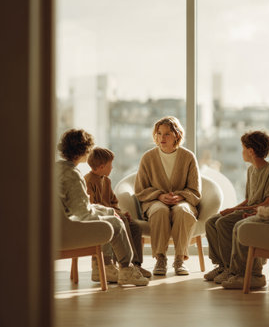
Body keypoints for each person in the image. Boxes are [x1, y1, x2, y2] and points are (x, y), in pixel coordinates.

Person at [56, 129, 149, 287]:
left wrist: (108, 211)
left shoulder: (56, 168)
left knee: (108, 218)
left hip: (57, 224)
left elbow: (76, 206)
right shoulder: (73, 175)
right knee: (115, 223)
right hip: (68, 228)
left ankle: (104, 267)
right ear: (85, 150)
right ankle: (126, 269)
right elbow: (83, 212)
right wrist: (109, 213)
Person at [222, 141, 269, 289]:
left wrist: (259, 212)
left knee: (240, 226)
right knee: (243, 224)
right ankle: (240, 274)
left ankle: (250, 275)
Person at [204, 131, 269, 284]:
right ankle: (222, 265)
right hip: (248, 208)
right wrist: (233, 209)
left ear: (251, 151)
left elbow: (267, 203)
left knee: (223, 223)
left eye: (243, 149)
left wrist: (235, 211)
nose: (242, 152)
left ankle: (232, 268)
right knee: (211, 222)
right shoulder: (250, 170)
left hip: (257, 212)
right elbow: (249, 199)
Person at [135, 116, 201, 276]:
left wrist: (179, 196)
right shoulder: (148, 157)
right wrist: (158, 196)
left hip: (183, 201)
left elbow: (195, 190)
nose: (162, 138)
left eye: (167, 134)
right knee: (160, 211)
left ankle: (179, 260)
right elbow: (140, 189)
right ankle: (160, 258)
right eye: (159, 133)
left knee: (182, 211)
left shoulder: (188, 157)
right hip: (154, 202)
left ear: (177, 135)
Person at [84, 147, 151, 278]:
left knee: (135, 227)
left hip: (112, 213)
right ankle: (127, 264)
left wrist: (120, 212)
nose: (112, 168)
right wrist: (117, 213)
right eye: (110, 165)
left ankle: (136, 263)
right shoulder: (88, 181)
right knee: (122, 221)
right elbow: (93, 205)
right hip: (100, 216)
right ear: (102, 166)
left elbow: (113, 202)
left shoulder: (106, 181)